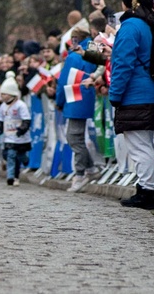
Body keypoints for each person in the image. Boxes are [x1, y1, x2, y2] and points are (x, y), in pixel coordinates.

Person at [109, 0, 154, 210]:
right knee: (144, 144)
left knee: (139, 145)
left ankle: (146, 191)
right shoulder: (150, 24)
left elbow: (122, 63)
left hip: (135, 94)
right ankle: (145, 188)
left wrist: (115, 93)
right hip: (148, 91)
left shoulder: (131, 26)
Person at [56, 18, 100, 192]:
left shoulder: (74, 55)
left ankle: (81, 173)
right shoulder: (93, 49)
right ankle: (90, 168)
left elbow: (63, 81)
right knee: (76, 136)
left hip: (75, 96)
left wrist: (59, 101)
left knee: (74, 137)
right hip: (86, 95)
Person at [0, 73, 32, 186]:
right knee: (10, 155)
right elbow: (1, 120)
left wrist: (22, 129)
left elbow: (26, 120)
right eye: (2, 94)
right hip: (9, 137)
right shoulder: (3, 106)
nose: (3, 96)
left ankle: (25, 160)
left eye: (5, 94)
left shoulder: (21, 105)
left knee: (20, 155)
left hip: (21, 137)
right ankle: (10, 177)